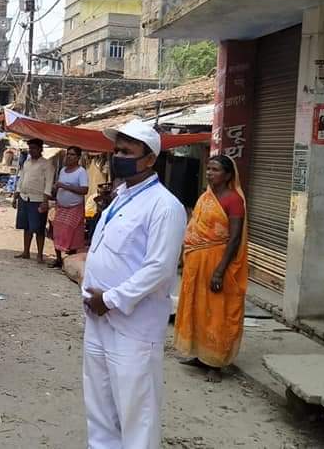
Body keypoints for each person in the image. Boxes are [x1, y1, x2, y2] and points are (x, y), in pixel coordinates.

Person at [81, 120, 187, 448]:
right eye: (117, 150)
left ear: (150, 158)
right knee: (100, 409)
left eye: (127, 151)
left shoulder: (165, 206)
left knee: (136, 413)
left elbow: (158, 267)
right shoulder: (120, 197)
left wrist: (110, 299)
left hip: (132, 327)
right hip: (97, 321)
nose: (118, 156)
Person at [174, 154, 248, 383]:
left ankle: (216, 363)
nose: (209, 173)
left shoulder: (233, 200)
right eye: (208, 169)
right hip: (196, 262)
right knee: (196, 306)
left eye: (215, 169)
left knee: (217, 311)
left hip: (216, 261)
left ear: (227, 174)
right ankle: (199, 354)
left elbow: (234, 238)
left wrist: (219, 271)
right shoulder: (206, 197)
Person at [13, 138, 55, 262]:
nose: (32, 151)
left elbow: (48, 183)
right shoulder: (27, 163)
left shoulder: (47, 164)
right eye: (30, 148)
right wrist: (16, 194)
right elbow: (21, 179)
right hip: (24, 197)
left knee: (39, 228)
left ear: (40, 149)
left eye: (34, 148)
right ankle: (26, 251)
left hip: (38, 199)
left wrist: (45, 201)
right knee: (26, 226)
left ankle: (40, 255)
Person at [49, 146, 90, 269]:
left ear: (78, 157)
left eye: (72, 154)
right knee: (57, 232)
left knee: (71, 234)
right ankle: (58, 259)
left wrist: (66, 186)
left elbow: (84, 190)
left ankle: (70, 261)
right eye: (68, 154)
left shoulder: (81, 172)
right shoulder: (63, 170)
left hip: (74, 208)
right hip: (61, 207)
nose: (69, 156)